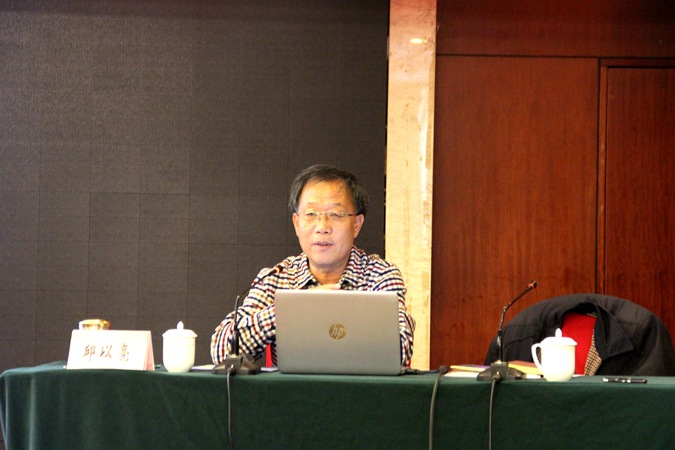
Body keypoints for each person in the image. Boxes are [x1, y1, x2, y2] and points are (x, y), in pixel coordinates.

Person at [211, 164, 415, 367]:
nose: (322, 227)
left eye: (335, 214)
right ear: (296, 223)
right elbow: (221, 351)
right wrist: (294, 309)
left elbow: (400, 350)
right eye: (310, 214)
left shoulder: (381, 275)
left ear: (356, 225)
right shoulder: (275, 278)